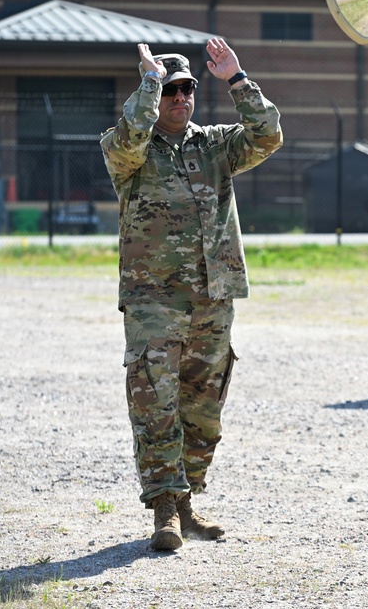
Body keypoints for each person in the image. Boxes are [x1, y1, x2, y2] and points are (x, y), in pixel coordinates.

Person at [100, 38, 283, 551]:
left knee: (204, 406)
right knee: (154, 400)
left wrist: (237, 80)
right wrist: (150, 84)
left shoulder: (216, 145)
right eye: (171, 91)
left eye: (187, 90)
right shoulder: (128, 150)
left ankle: (187, 505)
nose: (180, 99)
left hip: (213, 294)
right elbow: (130, 136)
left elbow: (268, 136)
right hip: (153, 299)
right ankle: (163, 508)